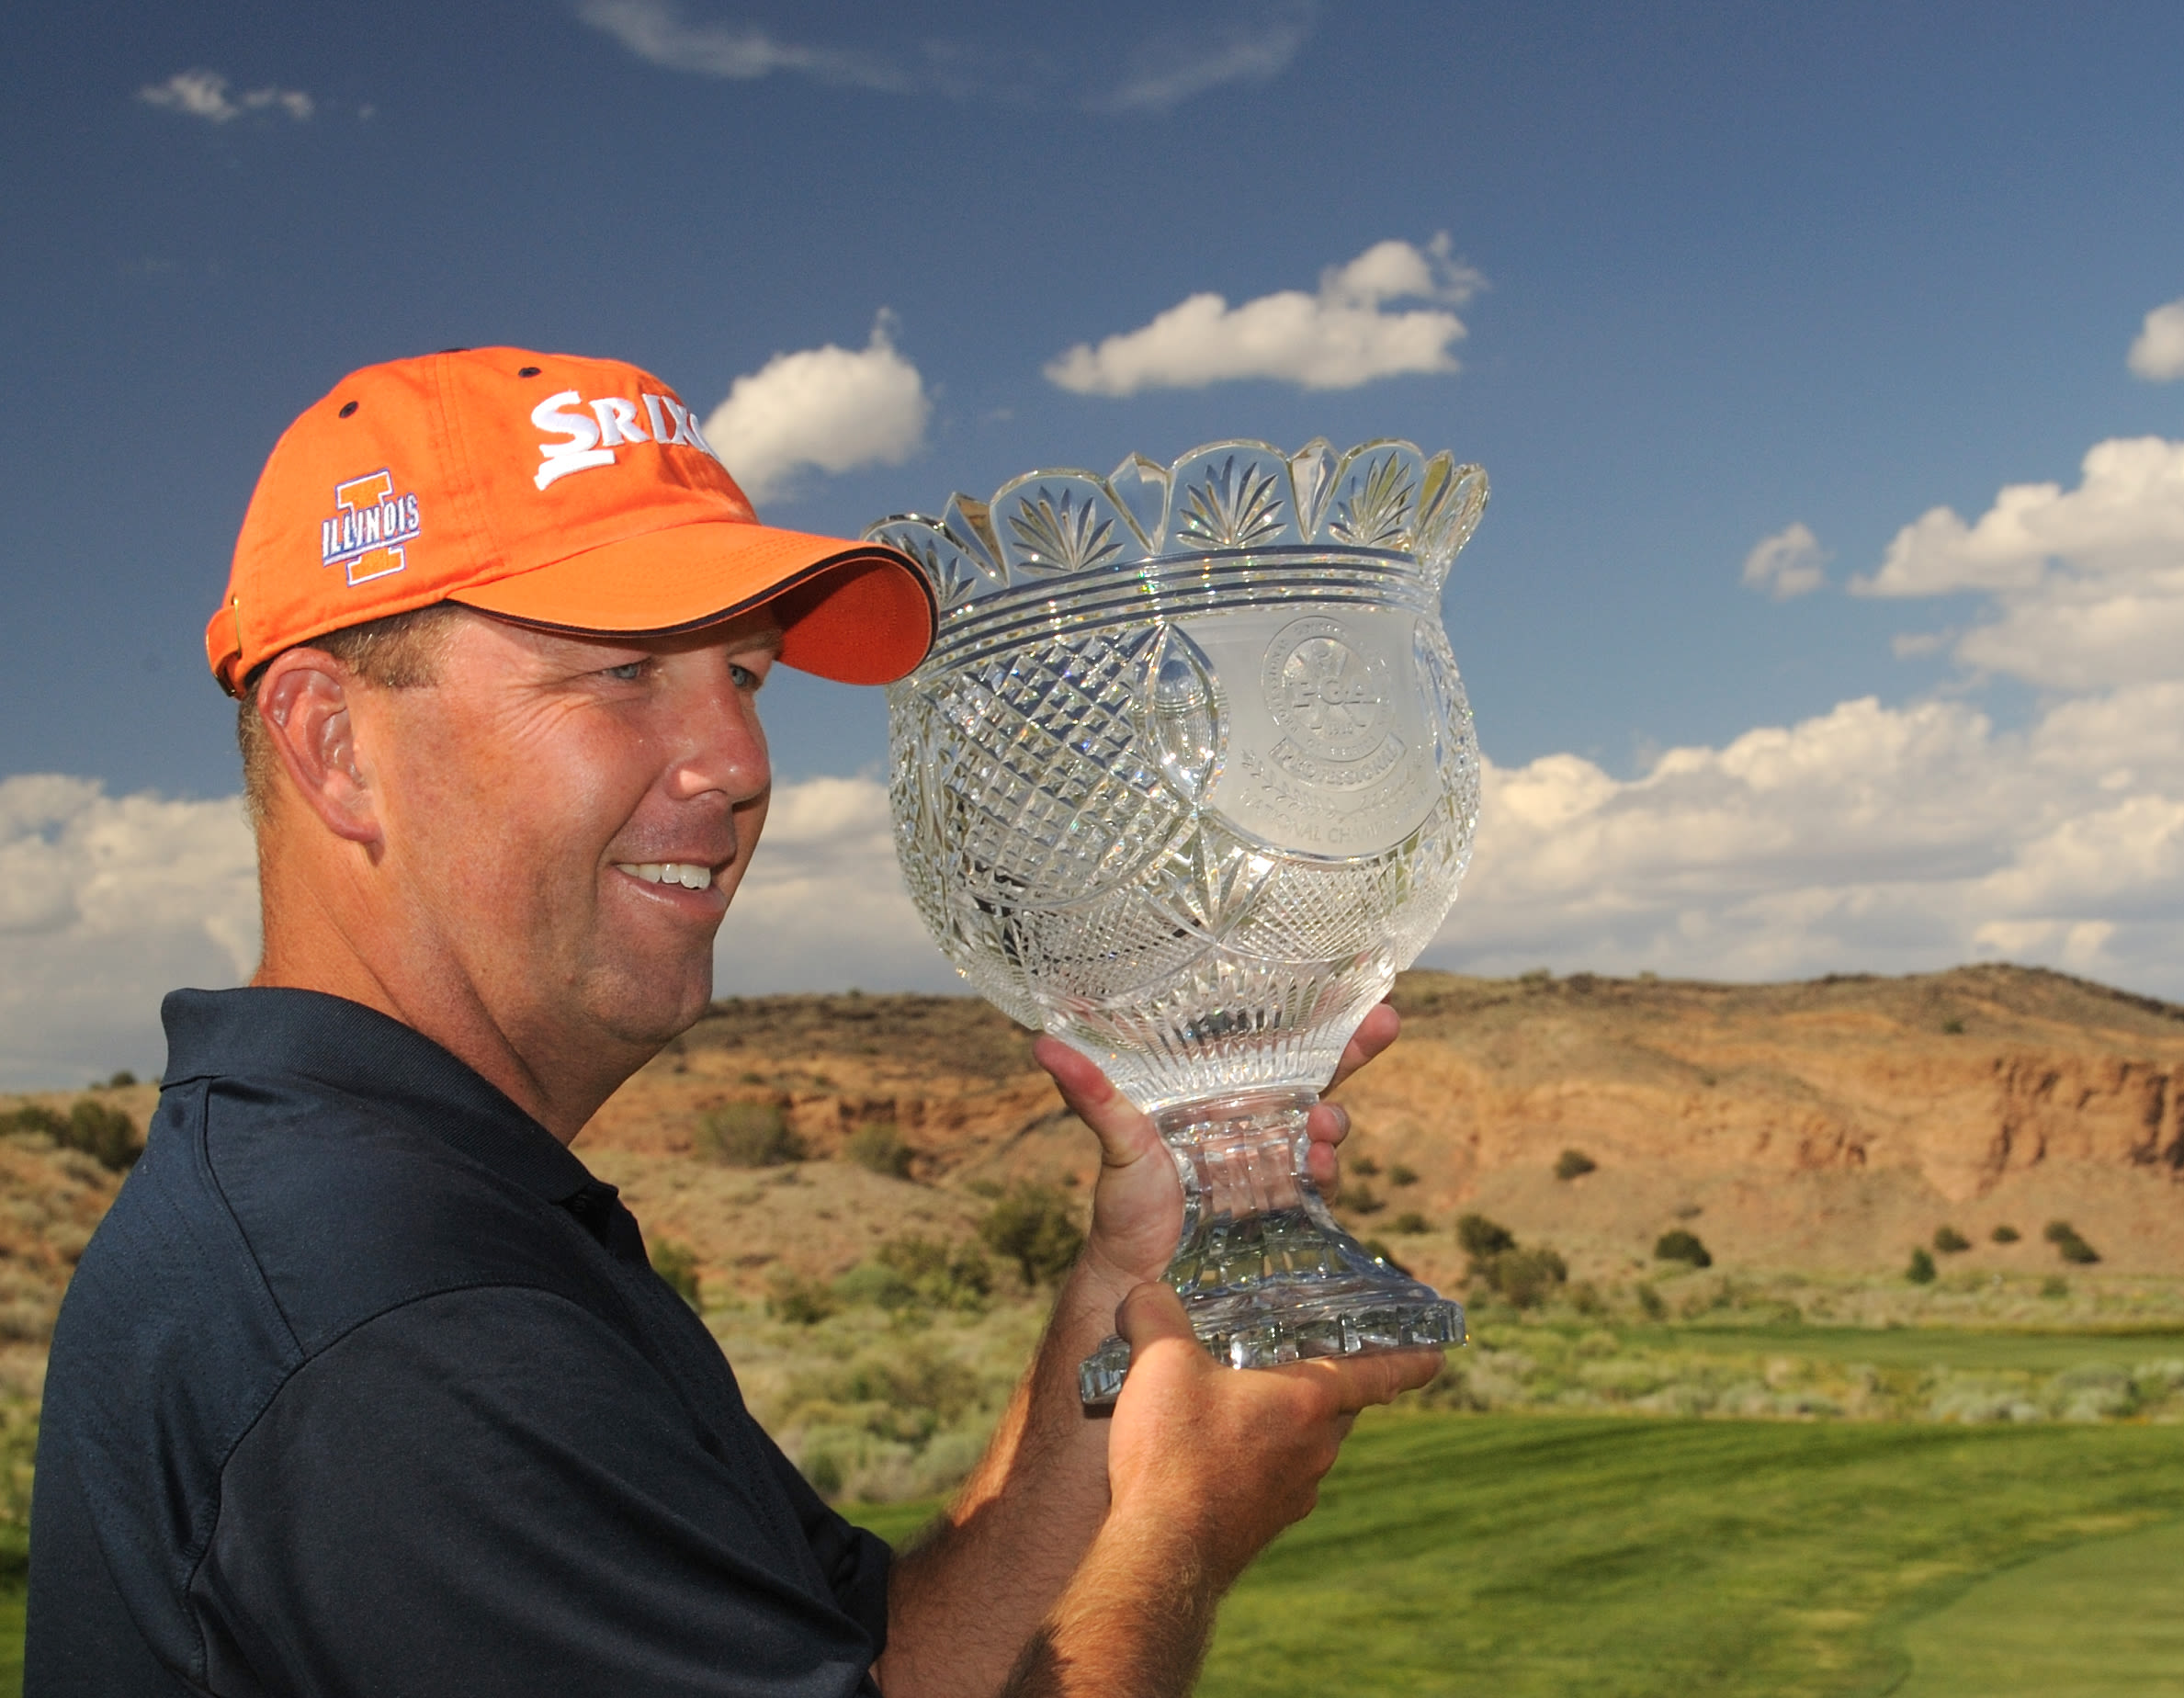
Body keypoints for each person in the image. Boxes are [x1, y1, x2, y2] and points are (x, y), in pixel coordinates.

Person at [26, 346, 1434, 1696]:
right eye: (621, 670)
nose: (739, 763)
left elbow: (894, 1669)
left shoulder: (428, 1213)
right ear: (334, 744)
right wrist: (1177, 1537)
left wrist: (1124, 1276)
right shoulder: (394, 1322)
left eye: (744, 679)